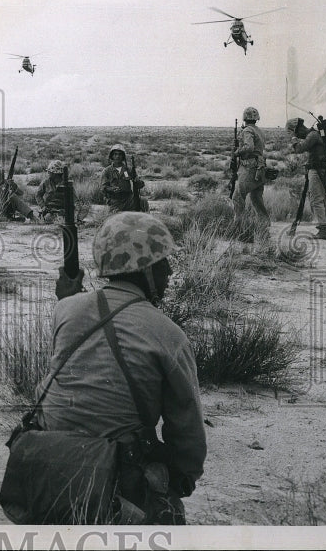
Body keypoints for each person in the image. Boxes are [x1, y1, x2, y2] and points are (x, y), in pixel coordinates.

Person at [43, 212, 207, 524]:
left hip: (50, 462)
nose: (170, 272)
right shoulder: (167, 333)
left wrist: (68, 299)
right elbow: (186, 429)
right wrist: (181, 478)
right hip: (114, 476)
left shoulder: (64, 308)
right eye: (161, 263)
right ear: (143, 270)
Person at [287, 116, 326, 240]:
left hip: (317, 170)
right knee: (322, 200)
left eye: (296, 132)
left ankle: (323, 230)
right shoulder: (317, 134)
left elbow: (298, 149)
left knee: (316, 200)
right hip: (324, 170)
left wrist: (293, 138)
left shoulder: (313, 135)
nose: (298, 135)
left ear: (298, 129)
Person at [232, 106, 272, 249]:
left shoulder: (247, 131)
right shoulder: (259, 131)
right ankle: (264, 227)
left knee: (238, 197)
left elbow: (248, 147)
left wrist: (237, 152)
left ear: (245, 117)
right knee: (256, 199)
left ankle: (238, 228)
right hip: (259, 168)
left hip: (249, 167)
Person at [100, 144, 146, 212]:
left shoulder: (129, 170)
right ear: (112, 156)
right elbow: (103, 188)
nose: (117, 156)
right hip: (114, 200)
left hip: (129, 198)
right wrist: (112, 189)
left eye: (120, 154)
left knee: (143, 201)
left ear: (123, 156)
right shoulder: (107, 171)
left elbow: (140, 185)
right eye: (115, 154)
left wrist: (138, 182)